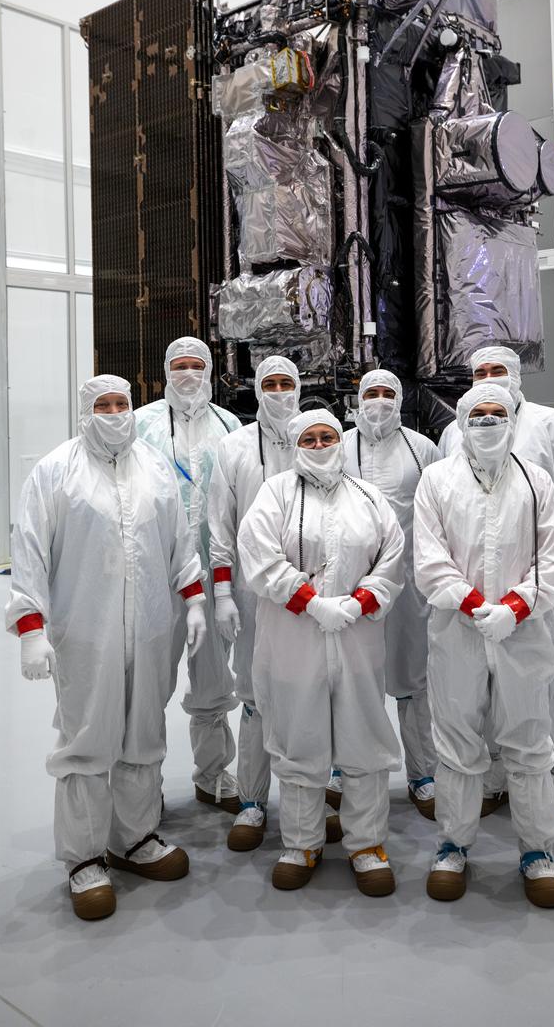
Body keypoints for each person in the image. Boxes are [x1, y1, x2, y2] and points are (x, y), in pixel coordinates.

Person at [6, 376, 206, 921]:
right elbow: (29, 552)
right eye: (103, 405)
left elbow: (179, 541)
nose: (115, 413)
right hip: (86, 631)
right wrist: (30, 627)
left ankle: (135, 838)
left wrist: (192, 600)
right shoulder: (55, 471)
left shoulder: (155, 466)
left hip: (150, 626)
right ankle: (84, 858)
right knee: (89, 739)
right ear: (84, 411)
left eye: (122, 404)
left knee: (143, 732)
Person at [438, 345, 554, 827]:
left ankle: (552, 779)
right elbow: (440, 498)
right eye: (480, 373)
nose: (490, 380)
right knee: (479, 685)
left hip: (537, 583)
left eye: (499, 371)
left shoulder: (549, 424)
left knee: (545, 679)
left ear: (518, 375)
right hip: (471, 590)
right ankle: (496, 776)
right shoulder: (455, 430)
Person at [413, 381, 554, 907]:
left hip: (523, 633)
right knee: (457, 740)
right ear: (460, 420)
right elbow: (430, 559)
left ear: (511, 419)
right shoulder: (437, 480)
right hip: (457, 632)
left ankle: (537, 851)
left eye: (495, 413)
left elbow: (552, 559)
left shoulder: (536, 481)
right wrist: (473, 604)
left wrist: (516, 608)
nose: (485, 422)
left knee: (528, 741)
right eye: (476, 414)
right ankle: (454, 845)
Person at [237, 410, 405, 897]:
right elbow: (259, 554)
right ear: (295, 445)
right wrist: (310, 602)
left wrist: (360, 600)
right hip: (294, 640)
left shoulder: (369, 497)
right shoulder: (275, 494)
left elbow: (392, 557)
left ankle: (367, 845)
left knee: (364, 740)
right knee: (298, 737)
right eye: (308, 438)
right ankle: (301, 843)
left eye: (327, 435)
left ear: (340, 440)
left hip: (357, 638)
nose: (318, 443)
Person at [326, 369, 440, 821]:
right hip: (351, 588)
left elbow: (436, 513)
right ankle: (343, 767)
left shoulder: (422, 449)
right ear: (357, 399)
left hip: (408, 587)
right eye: (370, 393)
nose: (378, 401)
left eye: (387, 393)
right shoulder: (340, 446)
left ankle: (422, 773)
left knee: (412, 680)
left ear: (400, 398)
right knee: (350, 678)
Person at [135, 337, 242, 815]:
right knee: (150, 681)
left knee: (214, 677)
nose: (187, 374)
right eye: (178, 365)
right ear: (165, 370)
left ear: (211, 369)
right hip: (158, 574)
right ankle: (143, 784)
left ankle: (213, 774)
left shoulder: (229, 425)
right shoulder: (141, 424)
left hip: (217, 572)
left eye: (196, 365)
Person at [207, 356, 305, 852]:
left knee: (309, 691)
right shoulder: (234, 446)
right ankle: (251, 801)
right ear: (256, 389)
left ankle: (311, 795)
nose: (280, 391)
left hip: (310, 595)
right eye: (270, 383)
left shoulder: (319, 435)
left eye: (288, 383)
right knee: (253, 696)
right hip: (250, 593)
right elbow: (220, 524)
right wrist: (223, 592)